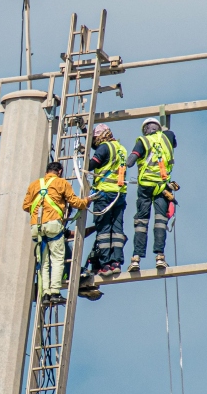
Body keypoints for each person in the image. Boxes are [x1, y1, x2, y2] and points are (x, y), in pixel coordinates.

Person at [22, 161, 92, 306]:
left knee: (44, 263)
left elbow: (26, 206)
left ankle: (46, 294)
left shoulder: (34, 185)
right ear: (59, 171)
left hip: (36, 227)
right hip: (53, 224)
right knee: (57, 260)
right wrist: (86, 201)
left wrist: (39, 210)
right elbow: (75, 202)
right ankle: (55, 292)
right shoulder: (62, 183)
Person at [126, 117, 177, 271]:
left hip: (146, 187)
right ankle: (160, 256)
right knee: (161, 222)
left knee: (141, 223)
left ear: (146, 129)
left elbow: (130, 162)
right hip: (162, 187)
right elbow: (173, 139)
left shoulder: (143, 141)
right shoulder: (167, 138)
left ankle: (136, 258)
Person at [86, 123, 128, 275]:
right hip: (119, 194)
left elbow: (92, 164)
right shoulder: (121, 148)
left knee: (103, 230)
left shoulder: (104, 147)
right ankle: (116, 263)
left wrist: (82, 158)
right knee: (117, 230)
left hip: (104, 194)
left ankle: (105, 266)